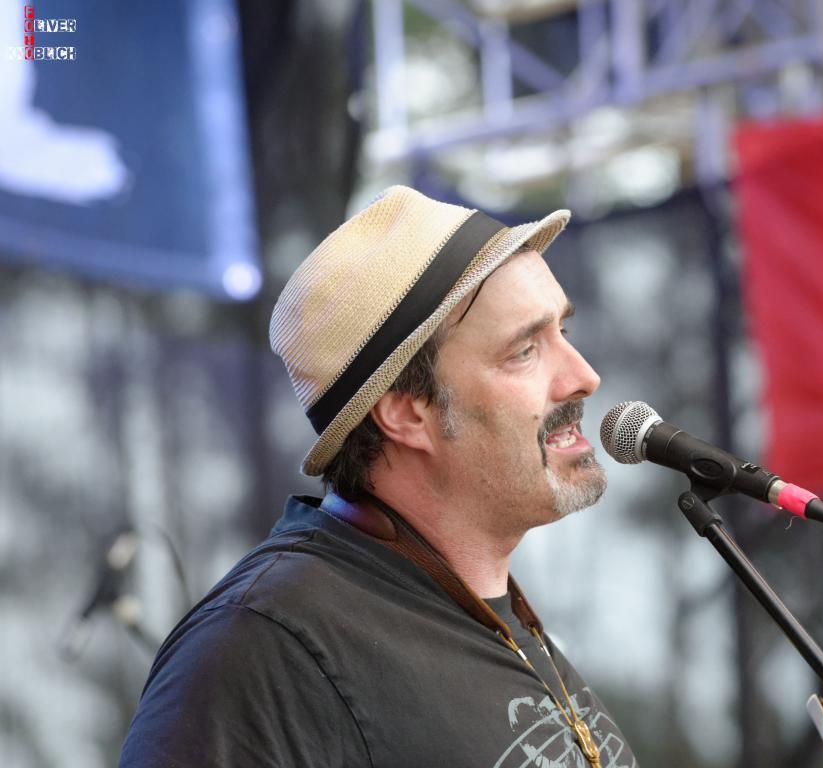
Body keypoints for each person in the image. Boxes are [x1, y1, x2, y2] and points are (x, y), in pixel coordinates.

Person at [119, 186, 639, 767]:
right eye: (524, 351)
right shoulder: (261, 647)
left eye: (563, 332)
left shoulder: (490, 612)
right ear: (406, 412)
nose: (583, 376)